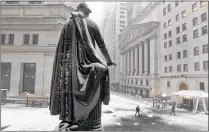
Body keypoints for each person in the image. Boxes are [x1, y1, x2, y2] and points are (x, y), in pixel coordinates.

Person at [49, 3, 116, 131]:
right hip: (88, 63)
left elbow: (63, 50)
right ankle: (85, 121)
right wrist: (107, 60)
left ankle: (69, 119)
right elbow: (102, 45)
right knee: (99, 71)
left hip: (69, 67)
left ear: (78, 9)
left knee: (69, 91)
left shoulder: (68, 23)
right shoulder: (92, 24)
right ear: (87, 11)